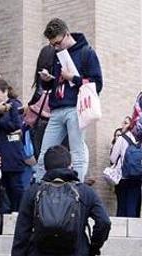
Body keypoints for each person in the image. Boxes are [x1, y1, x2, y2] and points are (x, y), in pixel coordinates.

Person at [35, 18, 103, 182]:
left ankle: (76, 191)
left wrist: (73, 78)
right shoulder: (57, 54)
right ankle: (38, 190)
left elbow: (97, 84)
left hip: (75, 108)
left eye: (57, 43)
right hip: (57, 109)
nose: (55, 47)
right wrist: (47, 79)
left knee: (77, 153)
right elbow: (54, 84)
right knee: (44, 155)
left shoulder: (86, 52)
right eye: (52, 45)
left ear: (66, 34)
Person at [0, 79, 29, 212]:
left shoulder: (14, 104)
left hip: (12, 153)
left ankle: (19, 213)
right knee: (2, 187)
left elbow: (16, 126)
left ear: (5, 91)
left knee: (15, 186)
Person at [109, 118, 142, 217]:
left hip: (123, 177)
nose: (122, 125)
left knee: (122, 206)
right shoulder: (141, 140)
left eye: (125, 123)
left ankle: (121, 231)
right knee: (133, 206)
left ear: (130, 125)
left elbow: (112, 159)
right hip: (137, 177)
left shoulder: (122, 138)